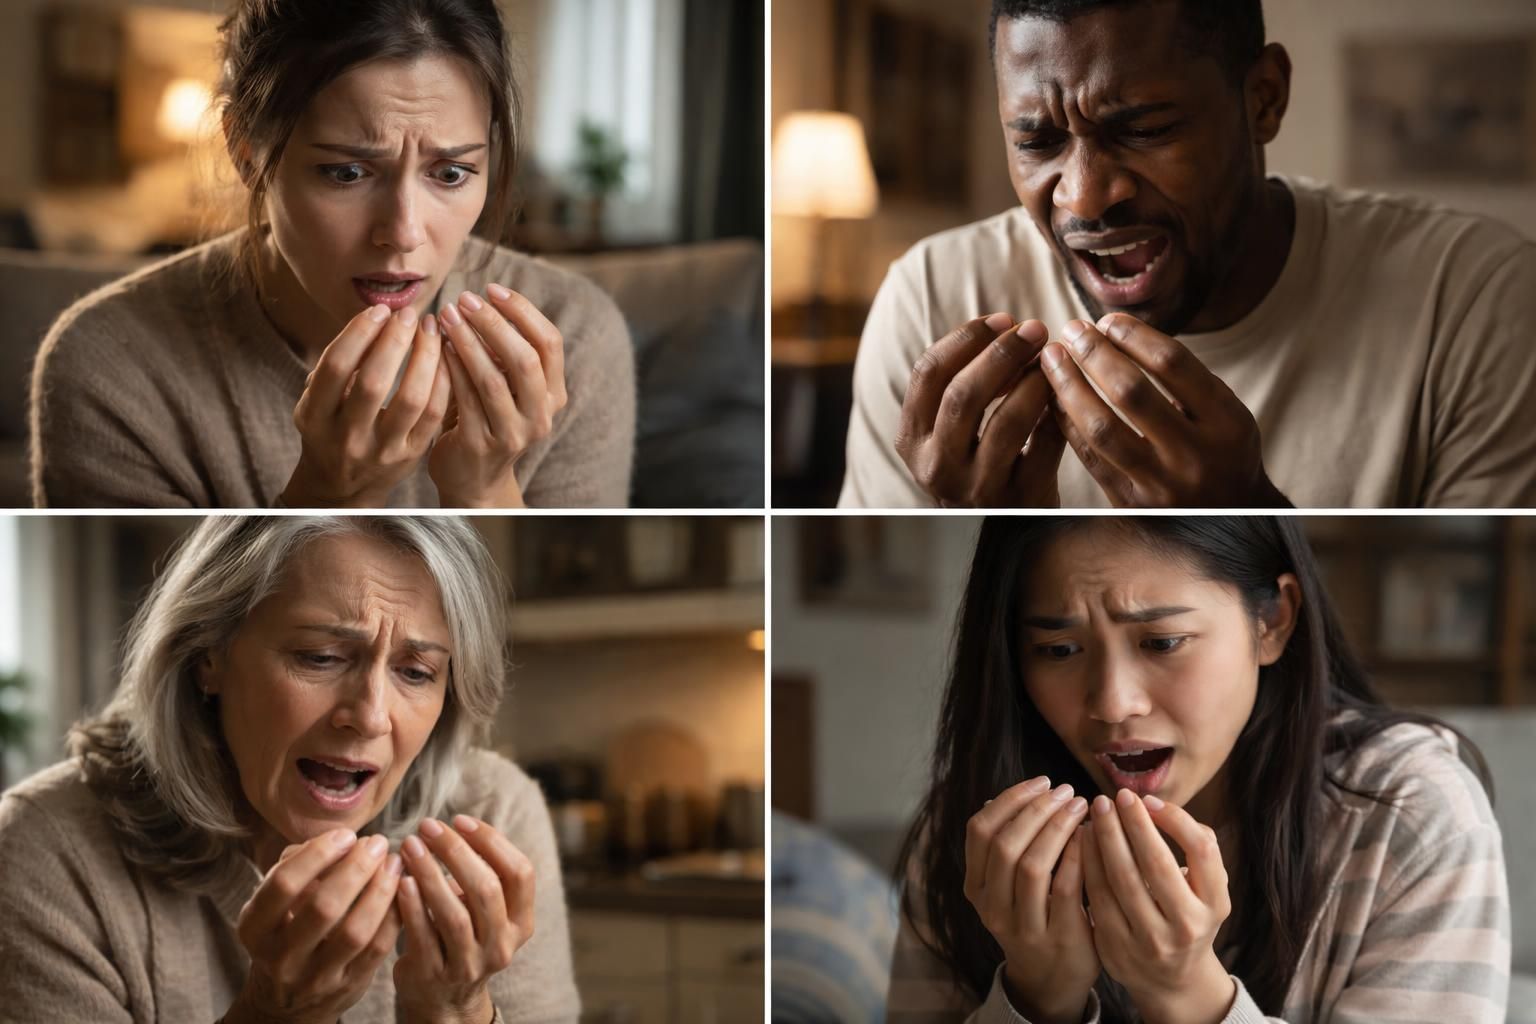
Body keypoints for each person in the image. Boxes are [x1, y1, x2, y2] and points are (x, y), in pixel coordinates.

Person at [839, 0, 1536, 509]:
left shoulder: (1476, 299)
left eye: (1143, 128)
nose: (1084, 198)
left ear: (1263, 99)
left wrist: (1248, 521)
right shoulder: (933, 298)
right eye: (1037, 142)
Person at [888, 517, 1509, 1022]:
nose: (1112, 703)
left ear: (1272, 622)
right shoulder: (981, 828)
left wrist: (1187, 993)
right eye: (1058, 650)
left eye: (1161, 642)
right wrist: (1036, 999)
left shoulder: (1409, 807)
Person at [30, 0, 636, 509]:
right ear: (245, 152)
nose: (402, 233)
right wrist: (323, 494)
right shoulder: (108, 368)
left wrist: (487, 491)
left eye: (450, 173)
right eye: (346, 172)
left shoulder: (576, 335)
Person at [0, 516, 579, 1023]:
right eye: (319, 657)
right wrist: (274, 1017)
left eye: (417, 672)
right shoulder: (42, 852)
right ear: (208, 657)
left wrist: (457, 1012)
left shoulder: (495, 815)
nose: (371, 718)